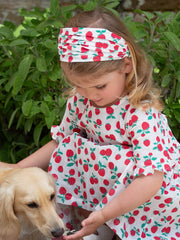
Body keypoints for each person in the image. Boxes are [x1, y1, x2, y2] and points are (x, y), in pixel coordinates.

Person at [1, 8, 180, 240]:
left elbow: (150, 179)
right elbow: (61, 142)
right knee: (72, 144)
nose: (90, 95)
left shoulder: (140, 113)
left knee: (116, 160)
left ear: (126, 66)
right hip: (105, 191)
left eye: (99, 86)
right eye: (78, 85)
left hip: (150, 199)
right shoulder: (81, 99)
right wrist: (18, 168)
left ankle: (109, 226)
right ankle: (95, 226)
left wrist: (106, 213)